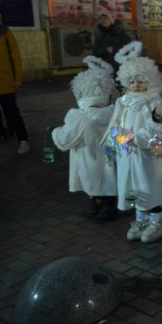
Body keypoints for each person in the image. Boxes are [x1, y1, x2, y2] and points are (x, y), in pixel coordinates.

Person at [104, 41, 162, 243]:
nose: (136, 85)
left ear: (150, 80)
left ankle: (158, 221)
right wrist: (116, 141)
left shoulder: (154, 102)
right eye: (132, 81)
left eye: (141, 81)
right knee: (132, 186)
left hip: (147, 154)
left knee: (151, 185)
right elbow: (114, 123)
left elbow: (159, 128)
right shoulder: (122, 101)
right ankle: (140, 219)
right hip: (127, 153)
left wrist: (138, 138)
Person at [52, 56, 118, 221]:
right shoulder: (115, 112)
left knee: (91, 178)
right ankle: (108, 203)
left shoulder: (80, 116)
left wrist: (54, 133)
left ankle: (97, 202)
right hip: (109, 155)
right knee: (109, 176)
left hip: (87, 157)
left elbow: (65, 138)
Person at [0, 10, 29, 154]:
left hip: (6, 81)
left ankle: (23, 140)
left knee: (11, 112)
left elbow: (15, 57)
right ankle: (2, 132)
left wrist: (17, 78)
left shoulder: (5, 32)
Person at [93, 12, 132, 79]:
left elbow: (129, 47)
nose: (103, 20)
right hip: (106, 67)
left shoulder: (120, 33)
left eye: (106, 18)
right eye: (101, 18)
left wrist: (114, 49)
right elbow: (95, 52)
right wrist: (105, 50)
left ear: (111, 19)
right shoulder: (100, 35)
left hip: (120, 66)